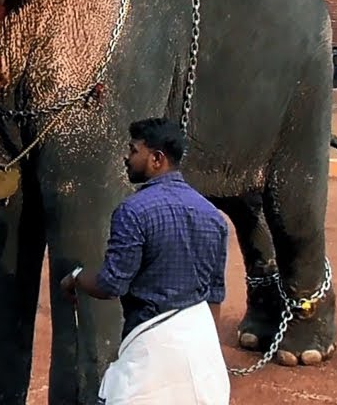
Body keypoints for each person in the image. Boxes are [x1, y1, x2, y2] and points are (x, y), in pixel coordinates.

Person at [60, 118, 231, 404]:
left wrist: (75, 278)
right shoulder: (213, 216)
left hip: (151, 349)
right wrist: (206, 355)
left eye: (133, 150)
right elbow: (214, 293)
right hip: (201, 350)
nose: (127, 158)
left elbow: (111, 283)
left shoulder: (133, 211)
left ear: (156, 158)